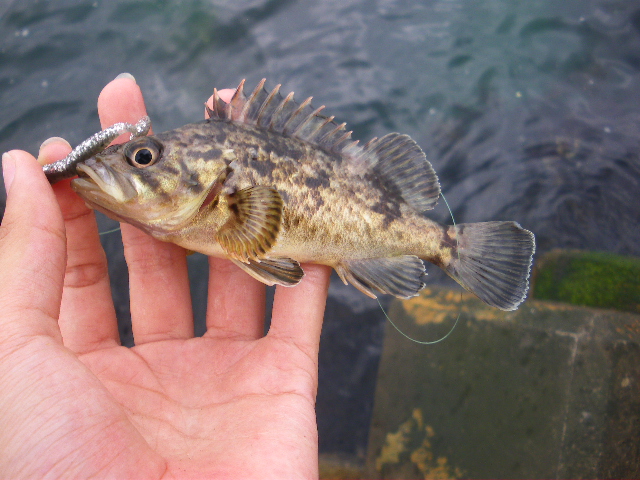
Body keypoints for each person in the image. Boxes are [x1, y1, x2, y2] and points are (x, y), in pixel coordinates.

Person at [0, 74, 331, 479]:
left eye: (143, 158)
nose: (135, 163)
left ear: (216, 180)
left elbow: (257, 226)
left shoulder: (238, 205)